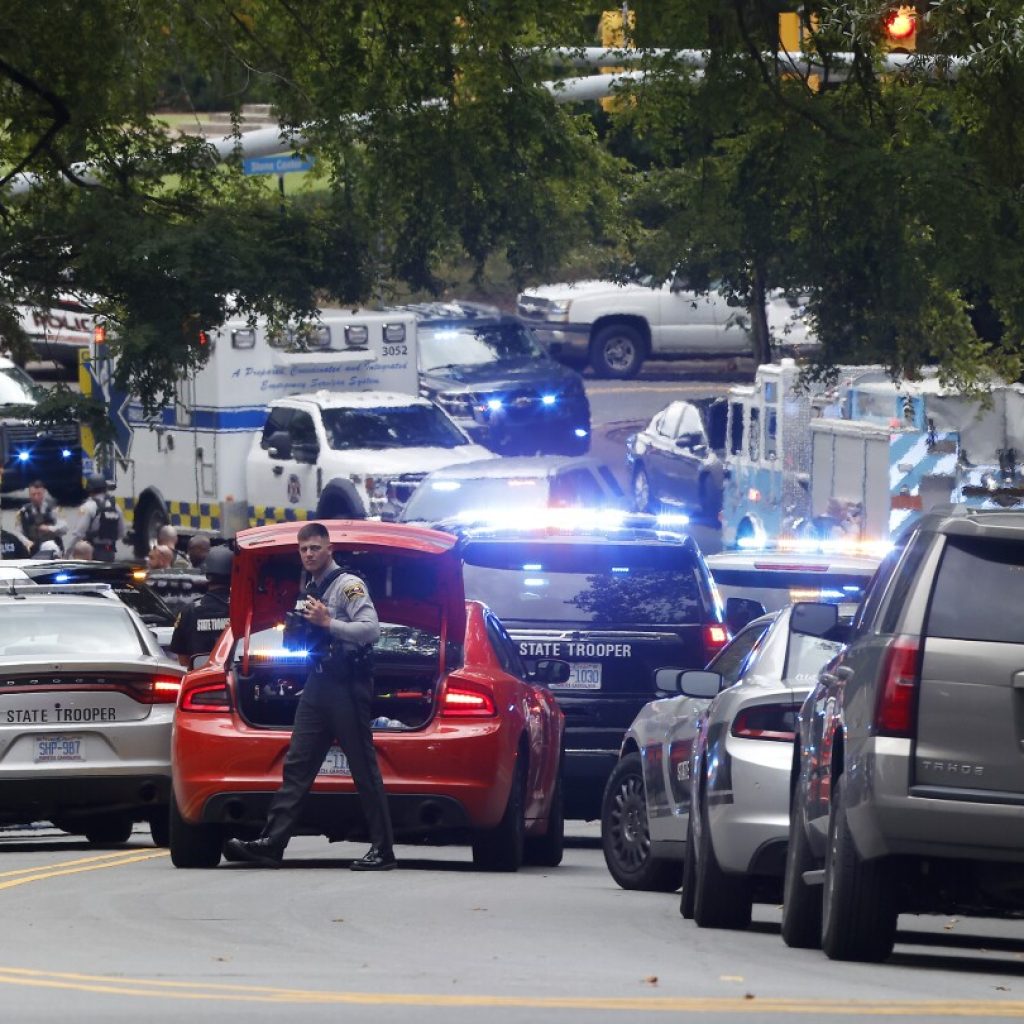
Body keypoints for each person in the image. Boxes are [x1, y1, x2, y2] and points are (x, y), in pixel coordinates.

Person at [225, 521, 395, 871]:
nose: (308, 554)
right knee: (298, 765)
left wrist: (326, 623)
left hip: (347, 685)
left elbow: (371, 629)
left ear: (329, 549)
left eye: (315, 548)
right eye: (303, 549)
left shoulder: (348, 585)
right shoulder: (310, 586)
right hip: (317, 684)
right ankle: (272, 842)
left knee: (363, 768)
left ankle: (383, 850)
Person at [169, 545, 233, 668]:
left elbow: (183, 660)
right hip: (234, 678)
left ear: (207, 575)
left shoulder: (189, 611)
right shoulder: (241, 610)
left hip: (200, 681)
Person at [65, 474, 125, 562]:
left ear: (90, 489)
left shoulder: (88, 507)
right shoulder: (115, 506)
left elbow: (78, 534)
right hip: (110, 552)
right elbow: (121, 534)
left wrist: (67, 553)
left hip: (91, 553)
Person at [17, 480, 67, 556]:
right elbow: (18, 532)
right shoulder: (23, 512)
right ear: (29, 495)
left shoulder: (54, 509)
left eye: (39, 494)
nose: (36, 497)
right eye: (33, 494)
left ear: (43, 493)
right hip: (32, 549)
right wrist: (26, 542)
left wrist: (49, 528)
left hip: (52, 548)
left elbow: (64, 528)